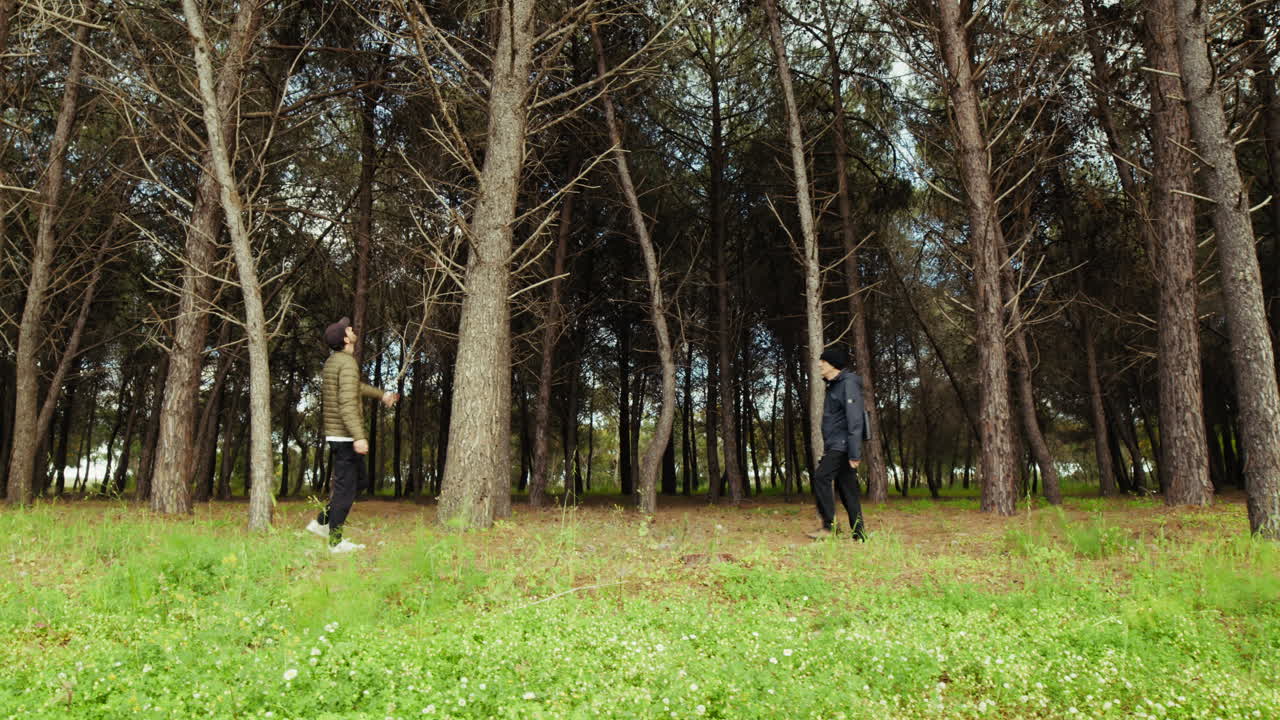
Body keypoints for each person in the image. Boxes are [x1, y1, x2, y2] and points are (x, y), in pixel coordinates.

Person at [307, 316, 398, 553]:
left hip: (340, 435)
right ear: (346, 339)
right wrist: (358, 436)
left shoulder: (336, 362)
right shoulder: (345, 364)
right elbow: (347, 403)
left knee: (360, 482)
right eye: (348, 328)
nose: (351, 328)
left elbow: (355, 388)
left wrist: (382, 395)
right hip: (345, 436)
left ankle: (321, 523)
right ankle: (334, 543)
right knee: (346, 490)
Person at [806, 346, 867, 541]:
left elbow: (855, 419)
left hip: (841, 445)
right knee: (848, 488)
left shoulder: (848, 383)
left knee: (821, 478)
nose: (818, 365)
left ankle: (829, 527)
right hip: (836, 444)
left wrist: (855, 453)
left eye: (822, 362)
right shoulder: (834, 385)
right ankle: (859, 534)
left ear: (832, 364)